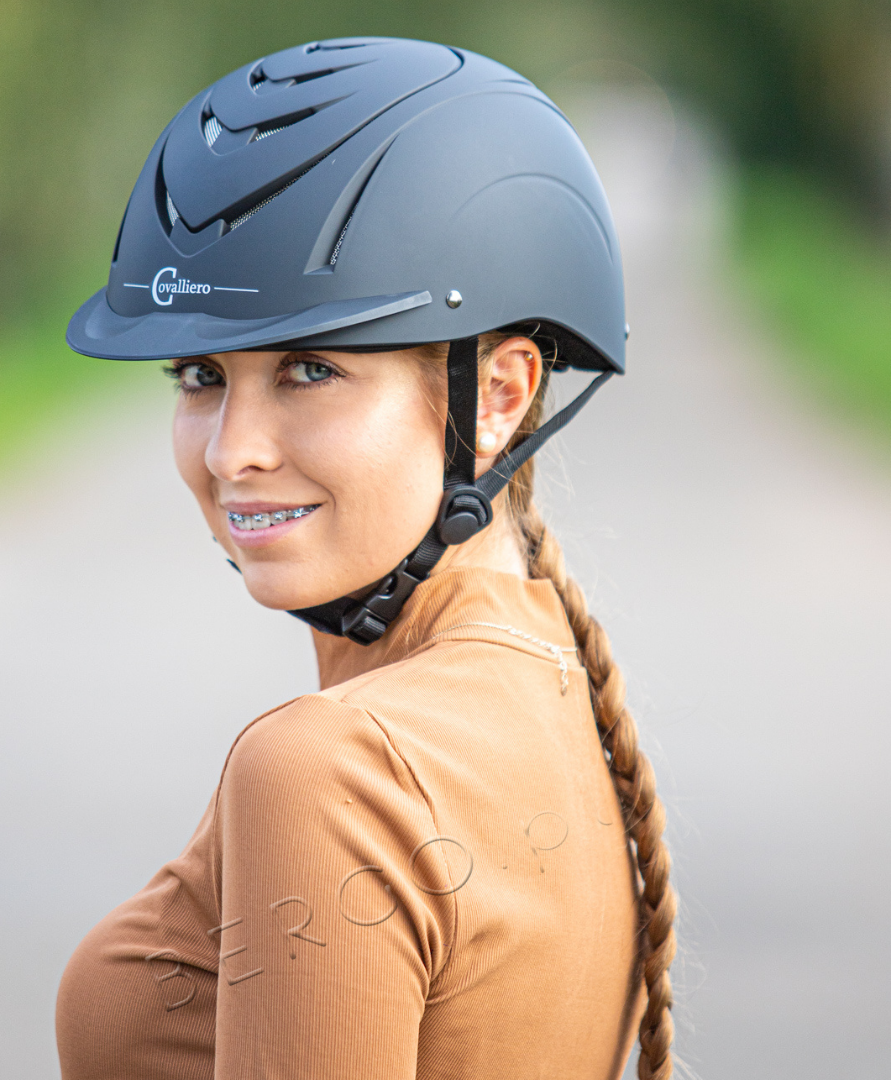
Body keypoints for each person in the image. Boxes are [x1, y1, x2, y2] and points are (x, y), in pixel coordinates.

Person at [56, 36, 677, 1080]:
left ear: (506, 396)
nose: (232, 450)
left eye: (309, 369)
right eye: (200, 373)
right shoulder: (550, 678)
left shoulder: (327, 773)